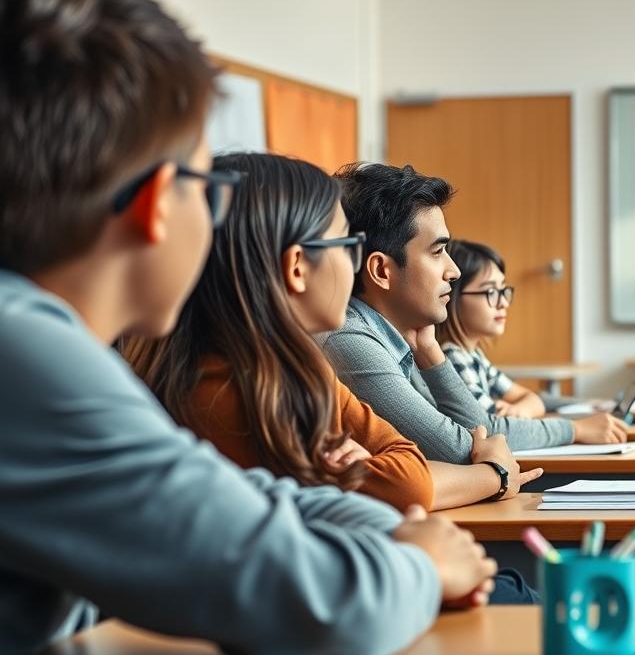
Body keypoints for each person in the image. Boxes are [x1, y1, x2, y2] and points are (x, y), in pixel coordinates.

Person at [0, 0, 494, 655]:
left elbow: (226, 498)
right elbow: (313, 602)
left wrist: (390, 530)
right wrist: (423, 563)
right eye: (208, 188)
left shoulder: (47, 339)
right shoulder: (25, 354)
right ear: (159, 205)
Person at [122, 153, 542, 515]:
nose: (353, 266)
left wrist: (371, 470)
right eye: (345, 246)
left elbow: (405, 461)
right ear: (297, 267)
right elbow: (410, 480)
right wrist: (496, 474)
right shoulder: (230, 388)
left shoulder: (299, 369)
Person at [319, 162, 628, 463]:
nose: (453, 271)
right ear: (381, 271)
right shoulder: (350, 340)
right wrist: (568, 432)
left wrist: (430, 352)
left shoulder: (400, 338)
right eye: (437, 252)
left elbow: (474, 430)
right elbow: (461, 447)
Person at [437, 239, 547, 419]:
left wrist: (517, 411)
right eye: (490, 292)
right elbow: (491, 423)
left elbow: (534, 400)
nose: (503, 303)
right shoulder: (452, 358)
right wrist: (515, 413)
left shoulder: (474, 356)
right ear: (452, 296)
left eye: (502, 290)